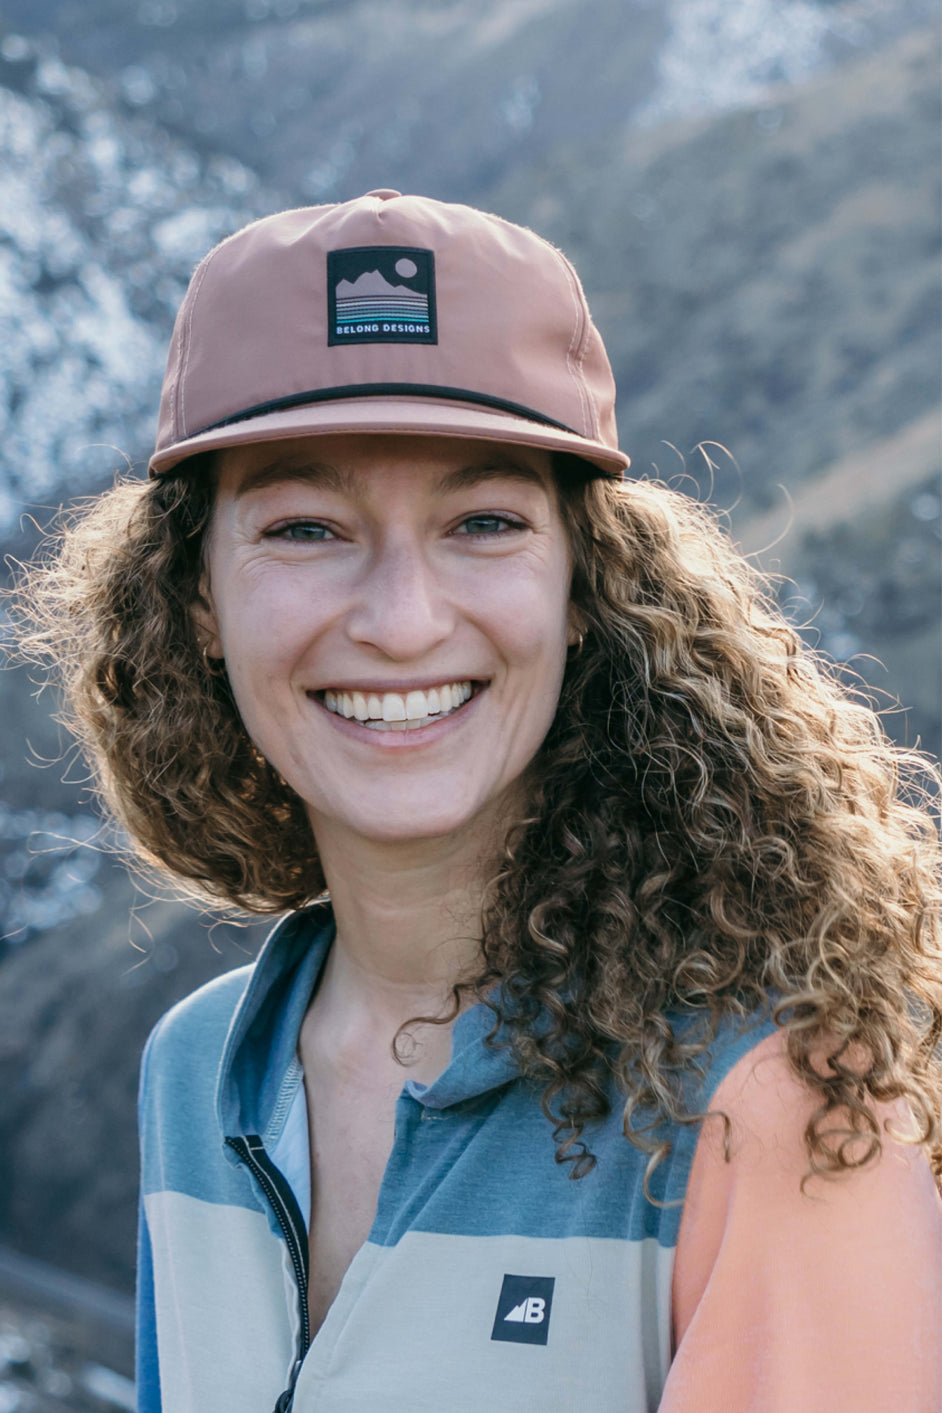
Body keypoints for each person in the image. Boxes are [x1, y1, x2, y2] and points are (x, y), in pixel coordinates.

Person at [11, 190, 942, 1412]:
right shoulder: (195, 1075)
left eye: (484, 522)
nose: (401, 620)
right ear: (196, 603)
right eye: (304, 527)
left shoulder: (768, 1103)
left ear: (579, 588)